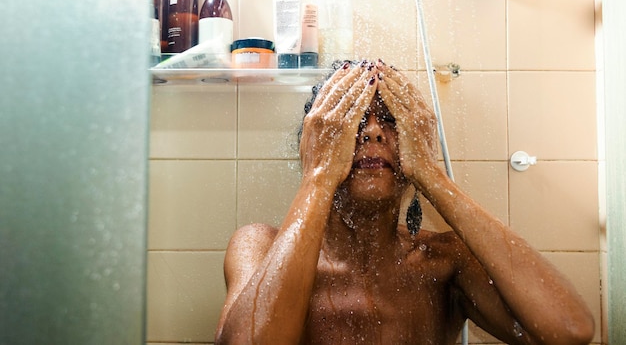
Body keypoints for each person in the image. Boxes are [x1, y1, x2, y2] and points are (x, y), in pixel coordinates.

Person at [214, 59, 595, 344]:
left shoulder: (444, 262)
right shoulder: (258, 246)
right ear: (316, 143)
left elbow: (570, 330)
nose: (375, 131)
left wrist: (431, 175)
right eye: (352, 120)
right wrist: (317, 176)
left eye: (392, 121)